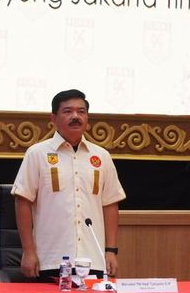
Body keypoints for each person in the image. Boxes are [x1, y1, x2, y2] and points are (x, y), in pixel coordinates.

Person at [11, 89, 126, 280]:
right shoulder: (37, 154)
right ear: (53, 118)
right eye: (68, 111)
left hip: (93, 260)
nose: (76, 117)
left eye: (81, 112)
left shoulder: (101, 156)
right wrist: (28, 251)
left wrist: (111, 251)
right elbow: (22, 201)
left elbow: (110, 204)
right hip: (50, 259)